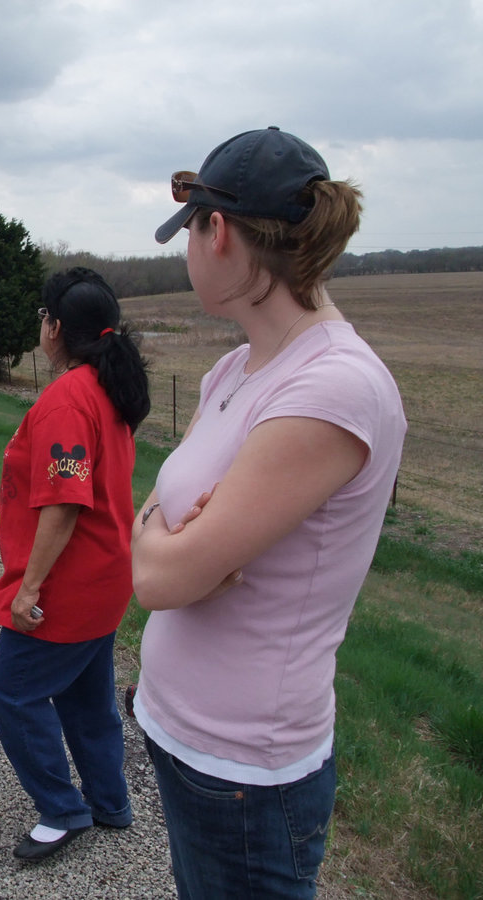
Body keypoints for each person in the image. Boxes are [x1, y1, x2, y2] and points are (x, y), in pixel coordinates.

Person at [131, 127, 407, 899]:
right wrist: (164, 539)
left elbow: (156, 577)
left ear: (217, 232)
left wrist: (164, 544)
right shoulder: (238, 367)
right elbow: (156, 529)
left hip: (245, 771)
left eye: (187, 232)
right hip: (185, 741)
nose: (186, 252)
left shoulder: (332, 387)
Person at [0, 267, 151, 862]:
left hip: (69, 586)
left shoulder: (69, 398)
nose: (40, 328)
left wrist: (29, 589)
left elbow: (65, 500)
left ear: (55, 328)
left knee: (12, 690)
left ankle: (61, 808)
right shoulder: (106, 385)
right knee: (86, 698)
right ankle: (110, 802)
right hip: (108, 578)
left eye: (42, 318)